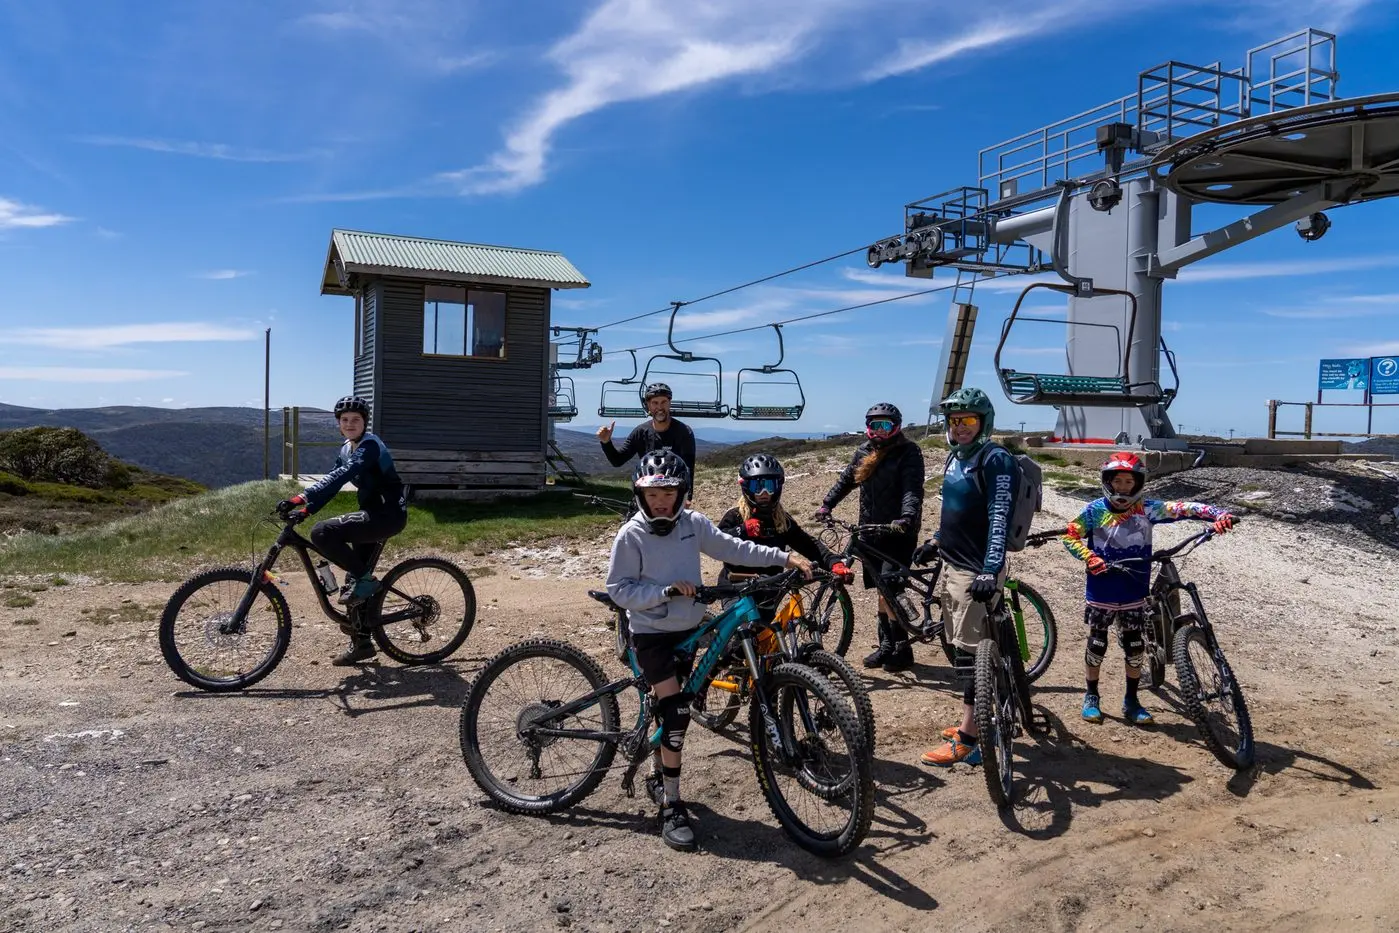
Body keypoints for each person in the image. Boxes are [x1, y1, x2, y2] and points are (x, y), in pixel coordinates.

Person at [606, 449, 812, 852]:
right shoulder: (630, 534)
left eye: (669, 493)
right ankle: (672, 805)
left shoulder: (693, 524)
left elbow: (734, 549)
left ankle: (656, 767)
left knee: (674, 709)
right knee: (678, 713)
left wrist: (784, 556)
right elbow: (619, 589)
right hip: (652, 635)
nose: (661, 501)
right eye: (653, 495)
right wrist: (662, 592)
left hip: (687, 631)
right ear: (640, 495)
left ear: (683, 493)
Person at [1062, 452, 1234, 725]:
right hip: (1102, 590)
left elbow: (1185, 508)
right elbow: (1070, 534)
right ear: (1107, 481)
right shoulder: (1094, 511)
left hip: (1134, 589)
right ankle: (1091, 695)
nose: (1122, 488)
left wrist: (1219, 515)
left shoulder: (1148, 508)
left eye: (1128, 482)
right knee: (1097, 643)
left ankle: (1132, 699)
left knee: (1134, 646)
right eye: (1117, 481)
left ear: (1138, 483)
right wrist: (1089, 557)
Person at [916, 387, 1014, 767]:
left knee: (969, 655)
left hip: (975, 569)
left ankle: (971, 736)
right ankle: (983, 718)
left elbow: (998, 517)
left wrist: (989, 568)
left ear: (983, 422)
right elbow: (958, 512)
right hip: (953, 564)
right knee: (961, 647)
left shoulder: (995, 459)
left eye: (968, 421)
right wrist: (935, 540)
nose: (960, 428)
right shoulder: (956, 458)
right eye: (955, 421)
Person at [276, 396, 408, 666]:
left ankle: (366, 582)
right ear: (339, 424)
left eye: (355, 420)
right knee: (353, 580)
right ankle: (362, 643)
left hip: (387, 515)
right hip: (371, 515)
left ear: (364, 423)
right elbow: (332, 483)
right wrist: (307, 508)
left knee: (322, 533)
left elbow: (344, 474)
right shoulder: (348, 447)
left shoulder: (370, 446)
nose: (349, 424)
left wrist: (301, 496)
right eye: (344, 420)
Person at [814, 402, 925, 673]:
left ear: (896, 426)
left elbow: (913, 489)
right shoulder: (863, 452)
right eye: (875, 425)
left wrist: (907, 517)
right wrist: (827, 504)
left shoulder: (908, 452)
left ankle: (902, 650)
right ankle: (886, 647)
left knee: (890, 587)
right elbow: (845, 481)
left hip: (898, 532)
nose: (879, 431)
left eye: (885, 425)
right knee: (881, 590)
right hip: (869, 531)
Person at [716, 453, 855, 598]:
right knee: (744, 622)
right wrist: (742, 530)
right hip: (735, 589)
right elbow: (716, 543)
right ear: (746, 488)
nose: (764, 493)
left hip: (769, 591)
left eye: (770, 486)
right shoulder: (735, 516)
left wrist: (834, 563)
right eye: (757, 486)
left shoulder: (780, 520)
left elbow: (809, 545)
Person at [597, 382, 697, 480]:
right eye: (655, 403)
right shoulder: (641, 432)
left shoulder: (683, 432)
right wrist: (606, 442)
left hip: (672, 492)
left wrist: (687, 495)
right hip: (647, 492)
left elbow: (688, 470)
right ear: (648, 405)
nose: (660, 407)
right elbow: (617, 460)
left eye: (663, 402)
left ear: (669, 403)